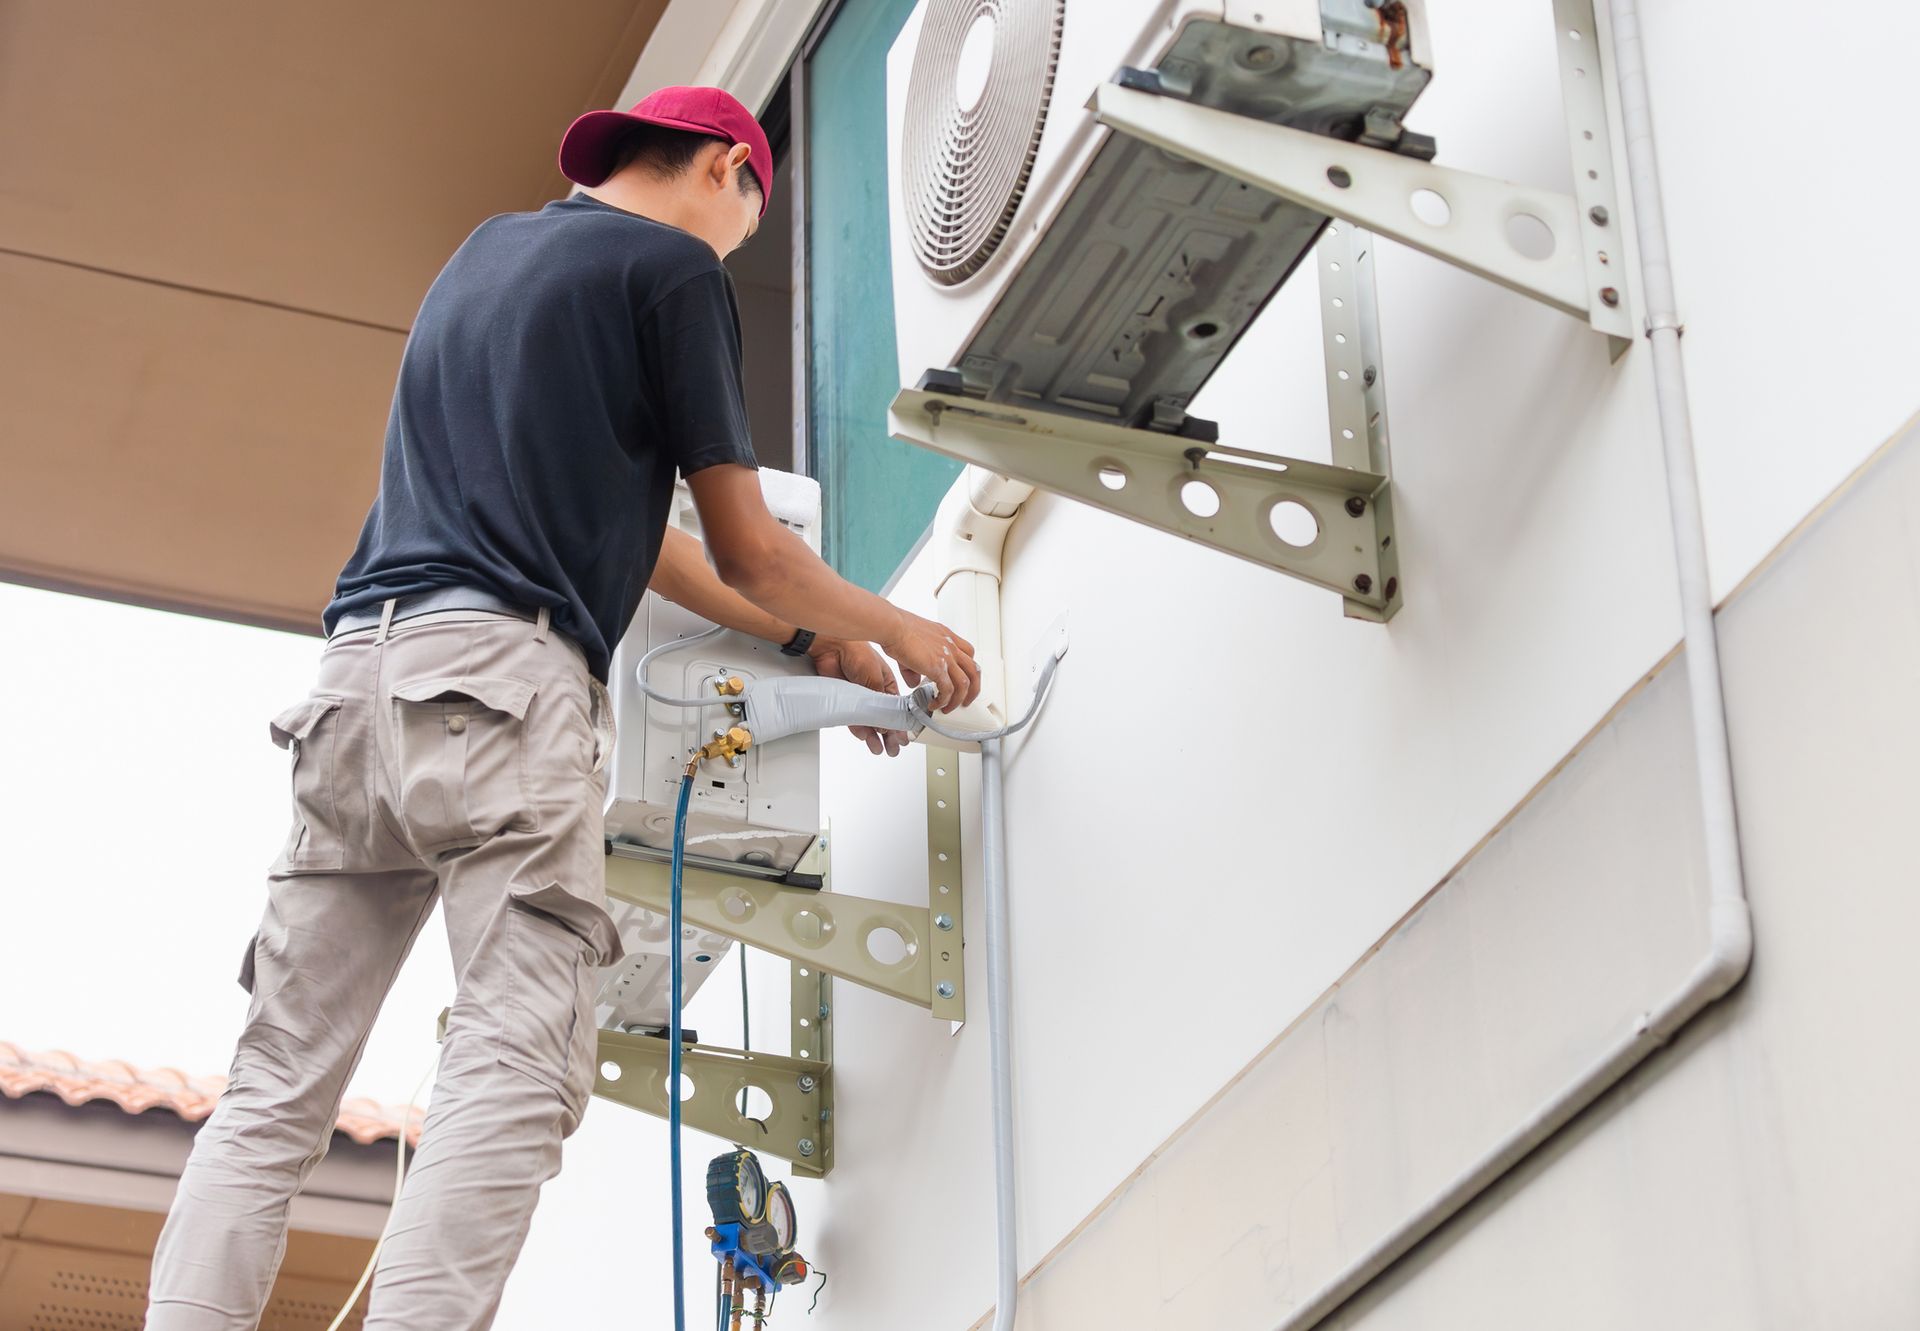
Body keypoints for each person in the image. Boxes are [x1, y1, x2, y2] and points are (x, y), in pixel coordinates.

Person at [144, 85, 980, 1329]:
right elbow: (748, 545)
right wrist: (902, 624)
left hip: (353, 689)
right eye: (752, 214)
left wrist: (820, 635)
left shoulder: (482, 260)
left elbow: (653, 547)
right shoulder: (670, 271)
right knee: (514, 1056)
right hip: (498, 687)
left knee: (276, 1084)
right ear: (720, 167)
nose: (739, 242)